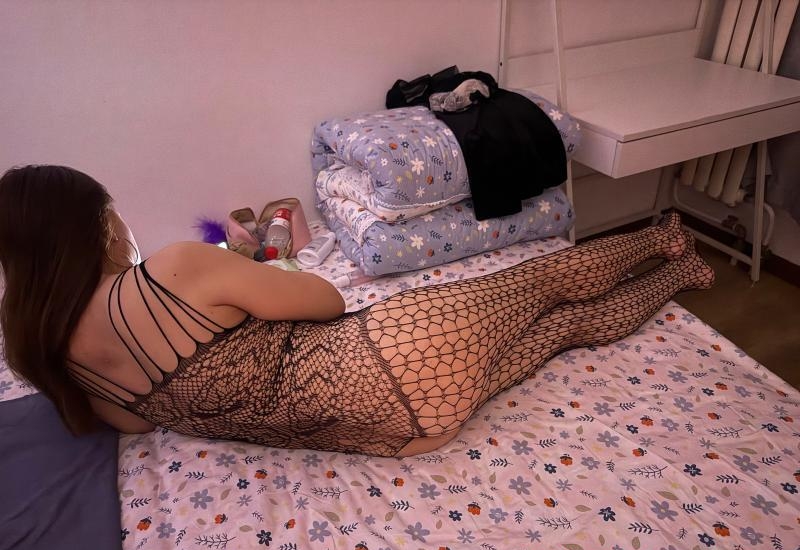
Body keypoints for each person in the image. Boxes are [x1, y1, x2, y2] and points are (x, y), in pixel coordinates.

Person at [0, 165, 714, 457]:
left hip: (400, 434)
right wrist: (266, 273)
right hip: (395, 358)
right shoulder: (172, 269)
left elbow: (138, 423)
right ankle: (664, 238)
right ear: (94, 228)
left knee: (562, 330)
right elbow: (328, 299)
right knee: (545, 282)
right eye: (112, 214)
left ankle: (683, 273)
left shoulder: (40, 349)